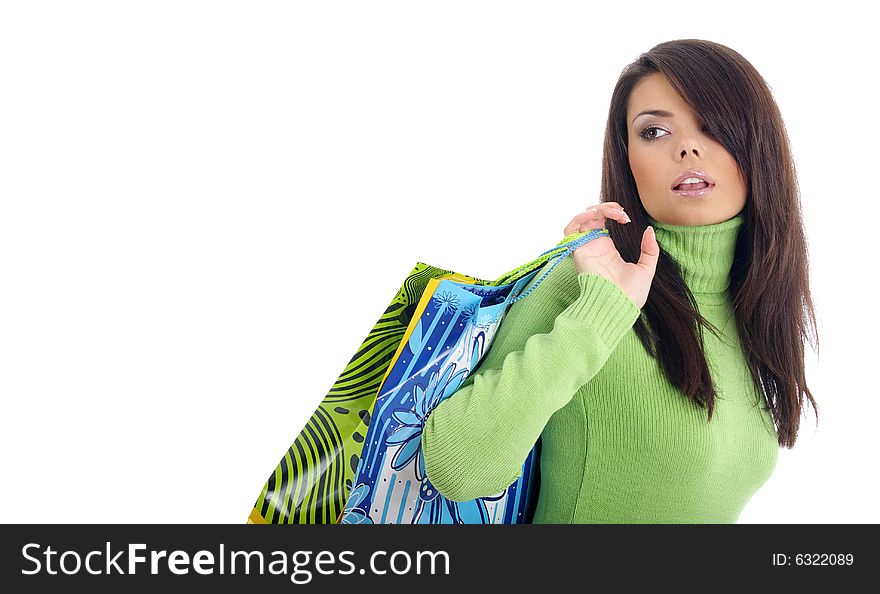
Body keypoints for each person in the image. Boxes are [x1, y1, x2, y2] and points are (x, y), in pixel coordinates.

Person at [419, 39, 819, 524]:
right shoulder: (589, 287)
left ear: (760, 147)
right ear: (627, 159)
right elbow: (459, 469)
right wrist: (598, 317)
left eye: (712, 125)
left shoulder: (749, 307)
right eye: (653, 132)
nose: (687, 147)